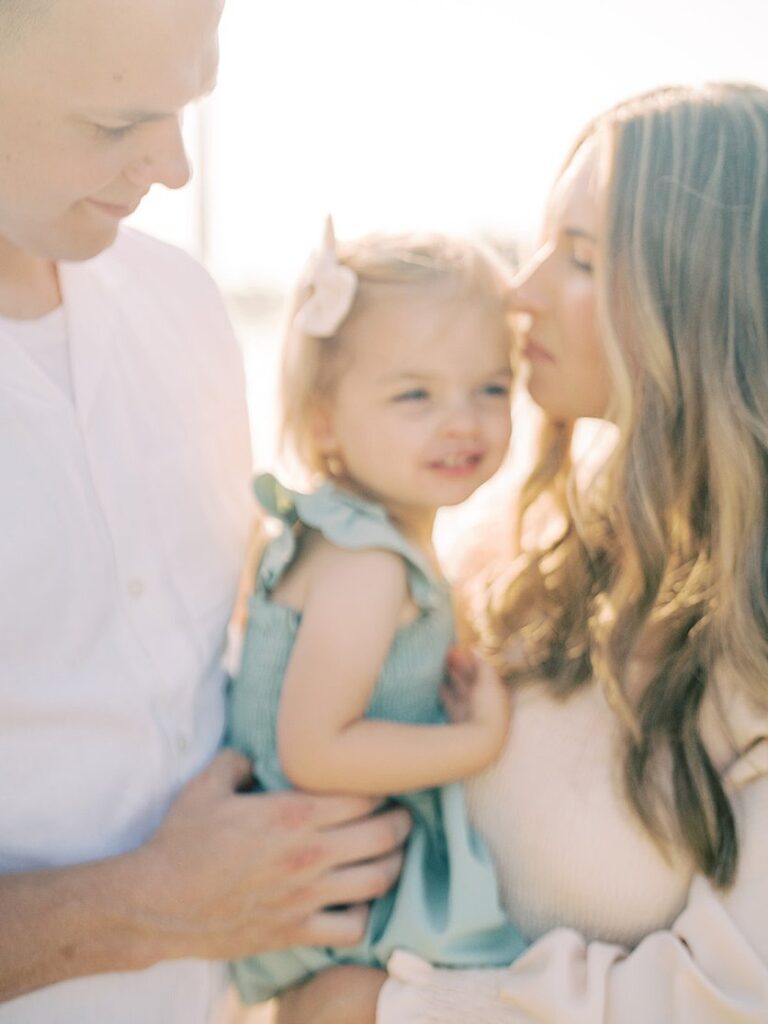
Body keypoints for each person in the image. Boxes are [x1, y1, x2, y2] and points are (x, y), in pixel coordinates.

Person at [277, 81, 768, 1024]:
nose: (517, 288)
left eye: (578, 257)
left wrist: (374, 1010)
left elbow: (733, 995)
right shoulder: (526, 554)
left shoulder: (751, 628)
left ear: (699, 298)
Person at [0, 3, 411, 1022]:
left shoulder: (183, 306)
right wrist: (144, 908)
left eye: (186, 106)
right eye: (113, 124)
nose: (176, 168)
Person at [226, 219, 526, 1005]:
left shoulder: (360, 537)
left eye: (491, 386)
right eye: (415, 394)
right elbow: (317, 751)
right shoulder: (365, 566)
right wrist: (478, 741)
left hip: (327, 881)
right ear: (324, 419)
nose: (463, 420)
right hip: (317, 888)